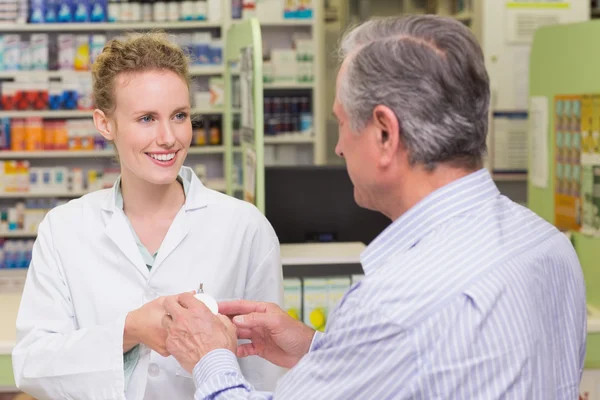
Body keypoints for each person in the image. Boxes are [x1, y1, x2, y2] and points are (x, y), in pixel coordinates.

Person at [160, 15, 587, 399]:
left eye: (343, 123)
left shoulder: (397, 302)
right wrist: (317, 348)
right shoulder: (546, 244)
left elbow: (408, 331)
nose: (340, 147)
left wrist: (209, 357)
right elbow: (431, 369)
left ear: (384, 133)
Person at [12, 32, 283, 400]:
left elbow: (266, 375)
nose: (169, 137)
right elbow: (32, 366)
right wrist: (130, 329)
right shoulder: (64, 230)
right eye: (146, 119)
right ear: (105, 124)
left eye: (179, 116)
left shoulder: (245, 228)